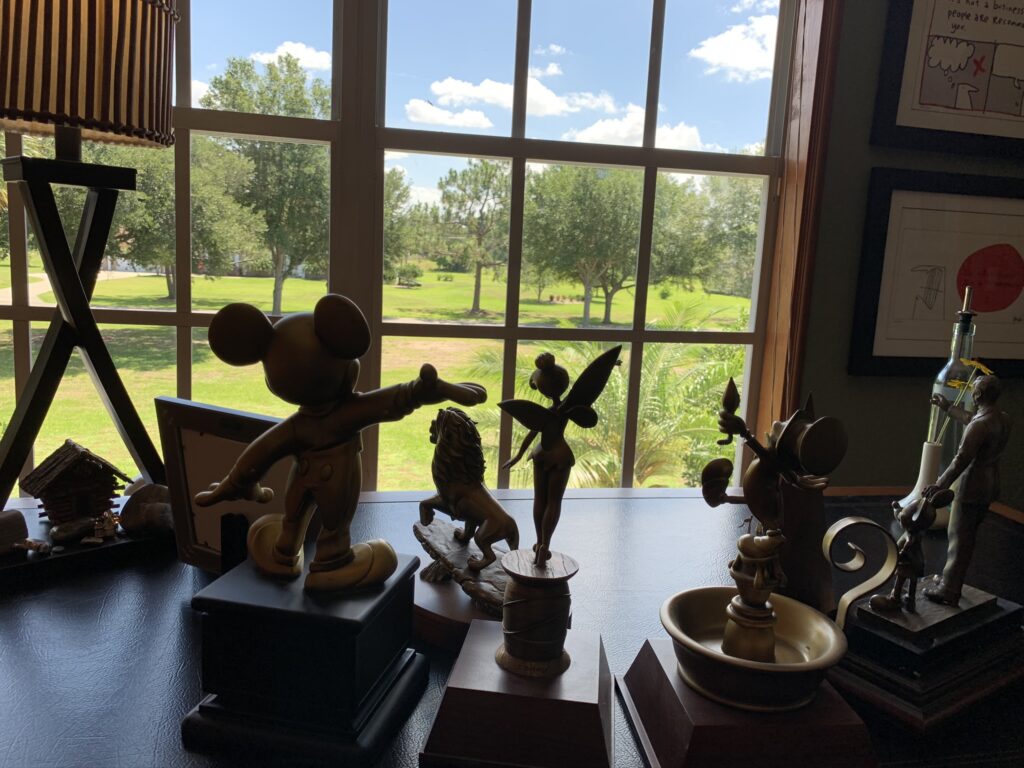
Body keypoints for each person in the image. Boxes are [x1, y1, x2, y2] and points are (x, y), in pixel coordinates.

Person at [923, 375, 1012, 606]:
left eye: (973, 390)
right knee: (968, 537)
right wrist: (948, 408)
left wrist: (939, 484)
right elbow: (972, 419)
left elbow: (961, 459)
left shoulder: (979, 425)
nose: (972, 392)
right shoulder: (1002, 419)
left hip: (971, 485)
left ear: (978, 395)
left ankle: (949, 589)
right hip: (991, 484)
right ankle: (952, 580)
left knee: (958, 538)